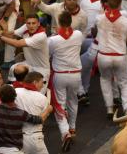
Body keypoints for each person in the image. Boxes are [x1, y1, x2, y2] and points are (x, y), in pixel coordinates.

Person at [96, 0, 127, 116]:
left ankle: (109, 108)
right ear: (120, 4)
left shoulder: (99, 18)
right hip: (119, 56)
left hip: (103, 55)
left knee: (105, 80)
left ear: (107, 4)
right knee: (124, 82)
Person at [48, 11, 83, 152]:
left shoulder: (53, 40)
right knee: (73, 101)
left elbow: (49, 54)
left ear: (59, 23)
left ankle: (65, 132)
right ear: (71, 21)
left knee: (60, 105)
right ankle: (73, 127)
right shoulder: (78, 35)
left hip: (60, 75)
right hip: (75, 75)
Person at [0, 85, 51, 154]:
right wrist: (48, 110)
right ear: (15, 97)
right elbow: (39, 120)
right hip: (14, 150)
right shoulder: (20, 113)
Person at [0, 14, 50, 91]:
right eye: (29, 23)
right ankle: (13, 88)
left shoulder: (41, 36)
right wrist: (1, 32)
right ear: (26, 23)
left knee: (37, 96)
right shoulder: (26, 27)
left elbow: (17, 43)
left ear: (38, 24)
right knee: (14, 68)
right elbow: (12, 33)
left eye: (34, 23)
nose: (31, 25)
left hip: (41, 69)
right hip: (29, 65)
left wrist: (0, 36)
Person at [15, 72, 52, 154]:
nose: (42, 86)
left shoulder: (16, 92)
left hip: (19, 137)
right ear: (35, 82)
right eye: (42, 82)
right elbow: (42, 119)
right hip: (35, 137)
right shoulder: (42, 98)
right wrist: (48, 110)